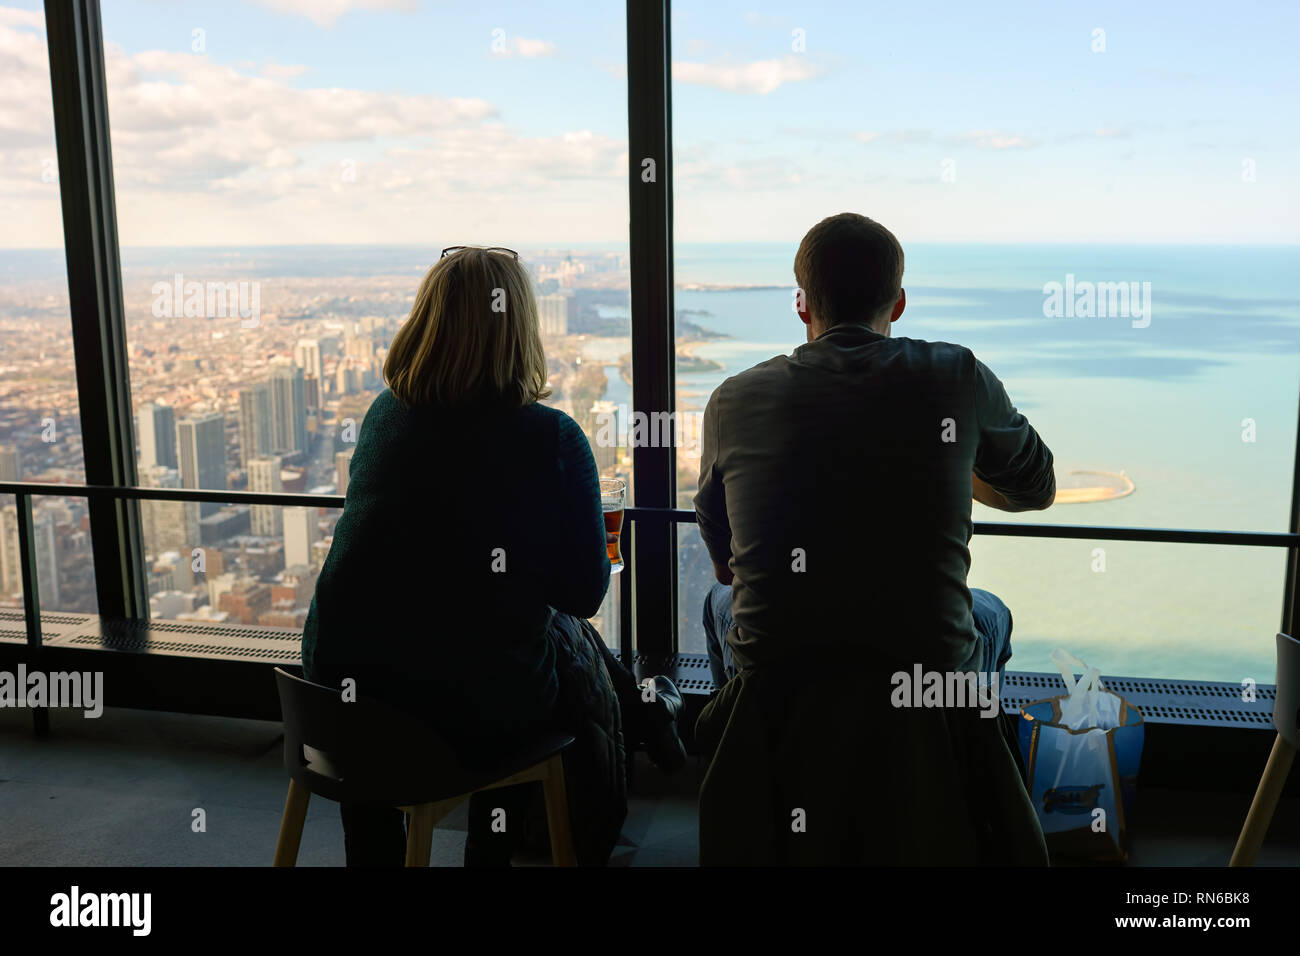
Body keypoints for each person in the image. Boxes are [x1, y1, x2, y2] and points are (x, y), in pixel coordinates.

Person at [301, 246, 684, 867]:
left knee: (493, 644)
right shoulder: (551, 437)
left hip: (332, 704)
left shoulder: (383, 415)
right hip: (465, 721)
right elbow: (583, 594)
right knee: (537, 646)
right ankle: (499, 845)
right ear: (521, 329)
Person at [691, 213, 1056, 864]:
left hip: (785, 671)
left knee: (719, 611)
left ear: (801, 304)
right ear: (899, 301)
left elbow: (726, 571)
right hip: (923, 667)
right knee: (990, 614)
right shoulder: (957, 375)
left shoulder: (733, 398)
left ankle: (748, 764)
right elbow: (1036, 488)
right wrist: (952, 466)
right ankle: (963, 790)